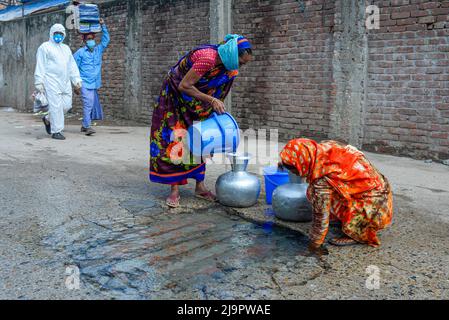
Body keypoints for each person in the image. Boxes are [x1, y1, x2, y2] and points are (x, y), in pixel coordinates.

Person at [150, 34, 253, 208]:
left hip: (199, 103)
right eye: (241, 62)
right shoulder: (207, 58)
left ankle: (200, 186)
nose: (240, 66)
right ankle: (174, 189)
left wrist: (213, 108)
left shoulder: (228, 67)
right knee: (176, 139)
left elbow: (219, 90)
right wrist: (211, 100)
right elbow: (184, 86)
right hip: (176, 98)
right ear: (232, 55)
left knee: (202, 138)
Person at [279, 138, 393, 254]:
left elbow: (320, 218)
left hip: (375, 205)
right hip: (378, 187)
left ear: (303, 163)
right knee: (315, 192)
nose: (295, 174)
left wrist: (314, 245)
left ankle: (356, 233)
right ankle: (344, 218)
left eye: (295, 171)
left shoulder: (323, 179)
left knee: (319, 197)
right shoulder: (322, 149)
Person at [35, 24, 82, 140]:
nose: (58, 36)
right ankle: (56, 131)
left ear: (64, 35)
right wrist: (39, 82)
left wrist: (76, 80)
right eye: (56, 33)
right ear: (52, 33)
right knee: (56, 107)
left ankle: (48, 119)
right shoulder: (44, 47)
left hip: (65, 82)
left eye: (61, 34)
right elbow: (40, 65)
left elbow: (72, 66)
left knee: (66, 106)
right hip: (51, 81)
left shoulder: (66, 48)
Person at [74, 18, 110, 136]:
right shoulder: (80, 53)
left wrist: (103, 25)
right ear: (84, 41)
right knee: (88, 103)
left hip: (94, 83)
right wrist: (75, 84)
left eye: (92, 39)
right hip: (84, 82)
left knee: (91, 104)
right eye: (88, 39)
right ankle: (88, 126)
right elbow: (73, 69)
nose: (91, 41)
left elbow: (106, 40)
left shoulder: (98, 50)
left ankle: (84, 125)